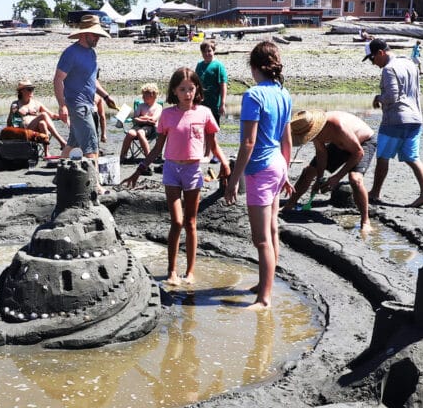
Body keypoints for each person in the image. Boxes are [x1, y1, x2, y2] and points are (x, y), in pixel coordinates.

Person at [144, 67, 230, 286]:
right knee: (177, 221)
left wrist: (226, 164)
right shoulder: (167, 114)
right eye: (182, 89)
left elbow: (213, 145)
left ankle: (190, 272)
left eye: (191, 89)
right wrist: (140, 167)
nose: (187, 93)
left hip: (193, 170)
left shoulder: (204, 113)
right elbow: (158, 148)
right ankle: (172, 271)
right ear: (174, 90)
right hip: (172, 169)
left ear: (197, 89)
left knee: (191, 223)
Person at [224, 41, 293, 310]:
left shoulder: (253, 95)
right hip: (277, 163)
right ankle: (265, 284)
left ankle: (264, 299)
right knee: (273, 228)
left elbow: (248, 144)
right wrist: (286, 171)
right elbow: (287, 139)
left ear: (254, 67)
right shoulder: (282, 93)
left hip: (260, 169)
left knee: (261, 239)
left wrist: (233, 180)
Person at [364, 38, 423, 208]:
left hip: (396, 120)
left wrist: (378, 98)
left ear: (381, 53)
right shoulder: (410, 64)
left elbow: (392, 97)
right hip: (415, 118)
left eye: (372, 59)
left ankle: (375, 192)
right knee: (413, 158)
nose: (373, 64)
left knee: (382, 157)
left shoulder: (388, 69)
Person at [283, 110, 376, 232]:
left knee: (355, 179)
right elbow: (322, 154)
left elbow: (358, 153)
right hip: (341, 143)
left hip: (363, 143)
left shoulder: (338, 126)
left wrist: (336, 177)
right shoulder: (314, 132)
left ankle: (365, 221)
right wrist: (319, 179)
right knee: (309, 171)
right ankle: (289, 206)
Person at [53, 14, 117, 159]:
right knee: (91, 147)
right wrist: (62, 106)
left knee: (72, 145)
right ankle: (95, 182)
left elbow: (92, 80)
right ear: (85, 33)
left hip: (88, 104)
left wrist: (106, 97)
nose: (98, 38)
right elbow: (58, 79)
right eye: (95, 35)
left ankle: (61, 177)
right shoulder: (71, 53)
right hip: (78, 106)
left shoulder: (92, 54)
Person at [8, 79, 67, 157]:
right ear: (21, 91)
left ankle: (47, 153)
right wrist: (27, 113)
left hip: (36, 133)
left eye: (32, 89)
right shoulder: (15, 104)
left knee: (42, 123)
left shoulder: (36, 103)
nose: (32, 91)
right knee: (43, 115)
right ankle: (62, 142)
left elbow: (52, 115)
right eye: (29, 89)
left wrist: (64, 116)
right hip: (23, 132)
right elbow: (14, 115)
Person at [196, 39, 228, 162]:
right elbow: (196, 82)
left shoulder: (218, 65)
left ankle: (213, 154)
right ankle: (205, 152)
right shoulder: (200, 65)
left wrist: (222, 103)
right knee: (203, 129)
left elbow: (223, 84)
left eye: (209, 51)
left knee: (212, 130)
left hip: (214, 103)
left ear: (213, 51)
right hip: (201, 102)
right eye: (205, 51)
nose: (207, 53)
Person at [118, 83, 162, 165]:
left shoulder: (158, 107)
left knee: (141, 132)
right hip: (138, 126)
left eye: (145, 95)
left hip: (151, 129)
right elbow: (135, 118)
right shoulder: (141, 106)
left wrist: (142, 117)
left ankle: (148, 157)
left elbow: (153, 120)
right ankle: (122, 157)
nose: (143, 97)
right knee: (130, 133)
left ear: (152, 95)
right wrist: (146, 118)